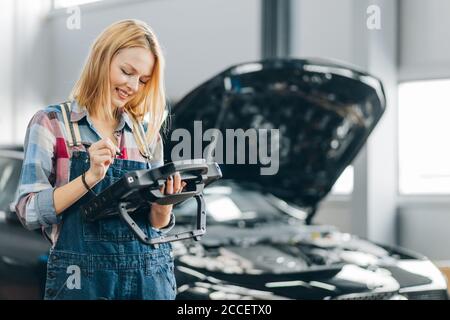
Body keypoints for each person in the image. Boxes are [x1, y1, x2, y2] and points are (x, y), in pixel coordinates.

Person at [14, 19, 185, 300]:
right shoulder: (52, 123)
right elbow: (28, 212)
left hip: (148, 279)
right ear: (102, 58)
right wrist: (89, 177)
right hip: (81, 280)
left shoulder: (146, 136)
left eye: (143, 80)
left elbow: (154, 225)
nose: (133, 85)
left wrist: (165, 205)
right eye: (126, 72)